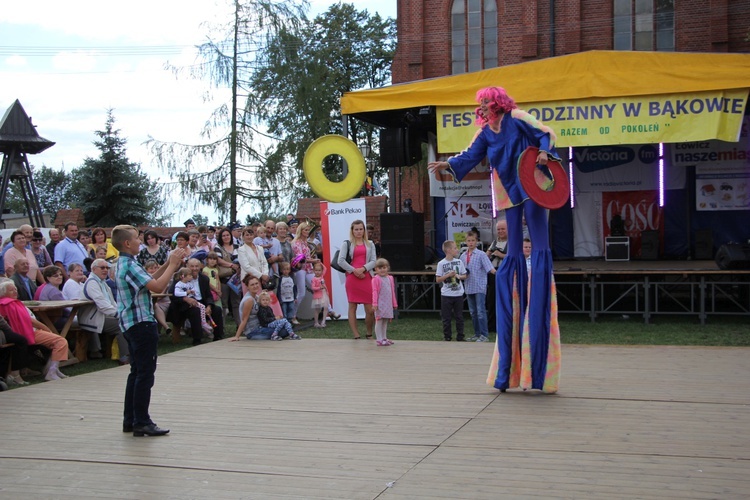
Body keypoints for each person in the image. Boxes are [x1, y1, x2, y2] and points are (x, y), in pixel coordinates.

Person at [428, 86, 561, 393]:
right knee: (513, 249)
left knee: (538, 240)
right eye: (482, 104)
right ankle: (515, 283)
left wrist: (544, 152)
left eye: (489, 102)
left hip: (532, 181)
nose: (485, 107)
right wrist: (448, 164)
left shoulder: (516, 116)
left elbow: (546, 132)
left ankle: (538, 282)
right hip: (507, 190)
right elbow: (470, 155)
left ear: (499, 102)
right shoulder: (486, 132)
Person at [112, 224, 187, 437]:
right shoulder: (130, 265)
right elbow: (157, 287)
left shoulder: (124, 263)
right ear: (127, 243)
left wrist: (166, 263)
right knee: (145, 374)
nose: (140, 241)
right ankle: (142, 421)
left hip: (129, 323)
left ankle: (131, 419)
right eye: (137, 238)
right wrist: (173, 266)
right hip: (141, 323)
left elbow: (149, 280)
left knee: (136, 372)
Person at [0, 278, 70, 381]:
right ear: (3, 293)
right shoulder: (9, 303)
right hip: (28, 332)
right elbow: (28, 320)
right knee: (60, 341)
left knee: (58, 341)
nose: (15, 291)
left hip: (26, 331)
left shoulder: (11, 302)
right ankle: (52, 371)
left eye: (15, 289)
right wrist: (45, 327)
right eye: (11, 290)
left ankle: (53, 369)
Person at [78, 259, 130, 365]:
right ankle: (125, 356)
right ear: (93, 269)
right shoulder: (92, 283)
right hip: (91, 318)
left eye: (107, 268)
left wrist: (121, 313)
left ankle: (131, 353)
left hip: (103, 316)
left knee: (127, 321)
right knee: (122, 325)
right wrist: (118, 315)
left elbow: (112, 303)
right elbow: (103, 305)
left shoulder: (103, 283)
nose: (105, 270)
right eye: (102, 268)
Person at [337, 220, 376, 340]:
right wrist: (355, 270)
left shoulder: (370, 244)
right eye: (356, 229)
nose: (359, 232)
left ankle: (369, 333)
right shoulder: (347, 243)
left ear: (364, 230)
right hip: (352, 278)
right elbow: (341, 261)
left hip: (367, 277)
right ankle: (356, 334)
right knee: (352, 306)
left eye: (361, 229)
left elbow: (374, 261)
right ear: (352, 231)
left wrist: (363, 268)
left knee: (370, 309)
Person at [461, 232, 495, 343]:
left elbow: (490, 268)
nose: (471, 243)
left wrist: (499, 274)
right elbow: (461, 271)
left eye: (473, 240)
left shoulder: (481, 254)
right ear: (466, 242)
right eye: (469, 241)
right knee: (473, 312)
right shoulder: (463, 256)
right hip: (468, 286)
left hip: (479, 286)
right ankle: (477, 333)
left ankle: (484, 334)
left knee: (480, 311)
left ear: (477, 242)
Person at [435, 240, 467, 341]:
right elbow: (438, 279)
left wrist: (458, 276)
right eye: (455, 248)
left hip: (458, 294)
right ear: (448, 250)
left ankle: (460, 335)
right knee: (446, 317)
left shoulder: (459, 262)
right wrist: (448, 275)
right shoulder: (441, 263)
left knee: (459, 316)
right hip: (446, 294)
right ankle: (447, 336)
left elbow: (465, 275)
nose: (457, 250)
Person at [229, 275, 276, 341]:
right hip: (252, 331)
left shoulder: (256, 297)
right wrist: (237, 336)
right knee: (282, 330)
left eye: (256, 283)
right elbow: (244, 319)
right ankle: (260, 337)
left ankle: (269, 336)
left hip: (260, 327)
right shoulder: (249, 300)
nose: (255, 286)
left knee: (282, 326)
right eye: (252, 285)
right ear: (247, 287)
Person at [172, 267, 214, 337]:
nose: (191, 276)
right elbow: (176, 293)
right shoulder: (178, 284)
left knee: (204, 307)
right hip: (182, 304)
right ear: (183, 276)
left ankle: (204, 324)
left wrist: (192, 292)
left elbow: (193, 290)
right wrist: (186, 293)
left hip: (193, 300)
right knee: (198, 310)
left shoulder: (190, 283)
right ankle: (201, 325)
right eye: (189, 275)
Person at [371, 258, 397, 347]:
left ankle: (384, 338)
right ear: (376, 269)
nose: (382, 270)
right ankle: (379, 339)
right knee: (379, 320)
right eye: (380, 268)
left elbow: (392, 291)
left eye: (384, 267)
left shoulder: (390, 278)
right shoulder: (376, 279)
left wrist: (394, 303)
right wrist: (374, 304)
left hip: (388, 303)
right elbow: (374, 292)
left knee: (385, 320)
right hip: (380, 304)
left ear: (388, 268)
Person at [238, 225, 270, 291]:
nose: (249, 237)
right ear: (243, 237)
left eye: (251, 234)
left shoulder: (260, 248)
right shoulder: (241, 250)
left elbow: (264, 263)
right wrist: (260, 275)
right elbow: (246, 267)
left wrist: (265, 275)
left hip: (260, 280)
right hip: (248, 280)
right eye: (247, 235)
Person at [309, 262, 329, 328]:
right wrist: (319, 287)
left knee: (325, 307)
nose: (318, 272)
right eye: (316, 270)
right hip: (317, 296)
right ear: (314, 271)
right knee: (317, 309)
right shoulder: (313, 279)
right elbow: (313, 287)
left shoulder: (322, 276)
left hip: (324, 294)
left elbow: (325, 268)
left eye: (319, 270)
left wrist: (319, 262)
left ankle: (323, 321)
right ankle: (316, 322)